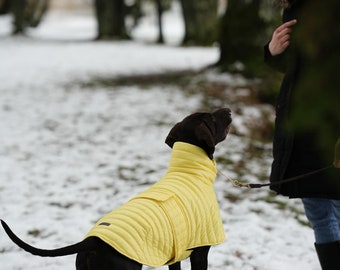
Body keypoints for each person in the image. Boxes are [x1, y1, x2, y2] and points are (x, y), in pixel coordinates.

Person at [264, 0, 340, 269]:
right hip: (304, 131)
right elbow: (299, 68)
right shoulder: (296, 9)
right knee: (320, 214)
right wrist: (273, 51)